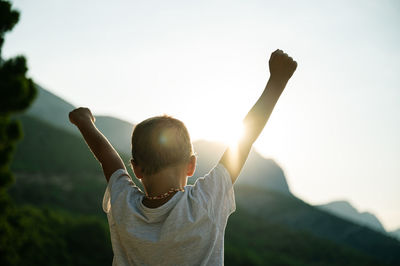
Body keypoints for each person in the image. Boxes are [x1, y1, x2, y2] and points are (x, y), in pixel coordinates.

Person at [69, 49, 297, 266]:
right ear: (191, 165)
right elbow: (245, 138)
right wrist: (277, 81)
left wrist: (85, 122)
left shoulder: (124, 206)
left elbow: (108, 159)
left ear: (136, 169)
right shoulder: (204, 201)